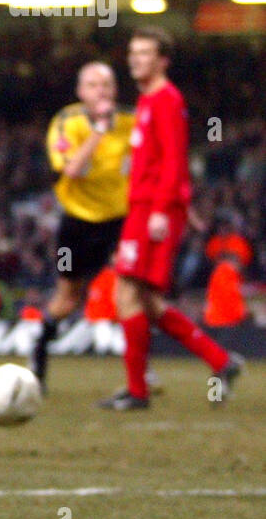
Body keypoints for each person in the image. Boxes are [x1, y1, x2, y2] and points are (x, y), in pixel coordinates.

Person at [102, 27, 244, 409]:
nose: (136, 59)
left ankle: (137, 391)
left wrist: (165, 211)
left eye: (145, 53)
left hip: (152, 209)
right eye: (133, 52)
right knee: (146, 302)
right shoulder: (148, 100)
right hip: (146, 206)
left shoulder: (166, 99)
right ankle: (221, 361)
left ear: (163, 60)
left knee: (126, 293)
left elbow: (175, 160)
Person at [27, 62, 134, 389]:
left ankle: (138, 371)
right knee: (67, 299)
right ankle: (39, 351)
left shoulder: (132, 121)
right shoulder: (66, 122)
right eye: (92, 85)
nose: (100, 90)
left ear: (115, 90)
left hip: (119, 220)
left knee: (131, 290)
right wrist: (99, 130)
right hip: (77, 222)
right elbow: (71, 169)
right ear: (80, 92)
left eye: (106, 84)